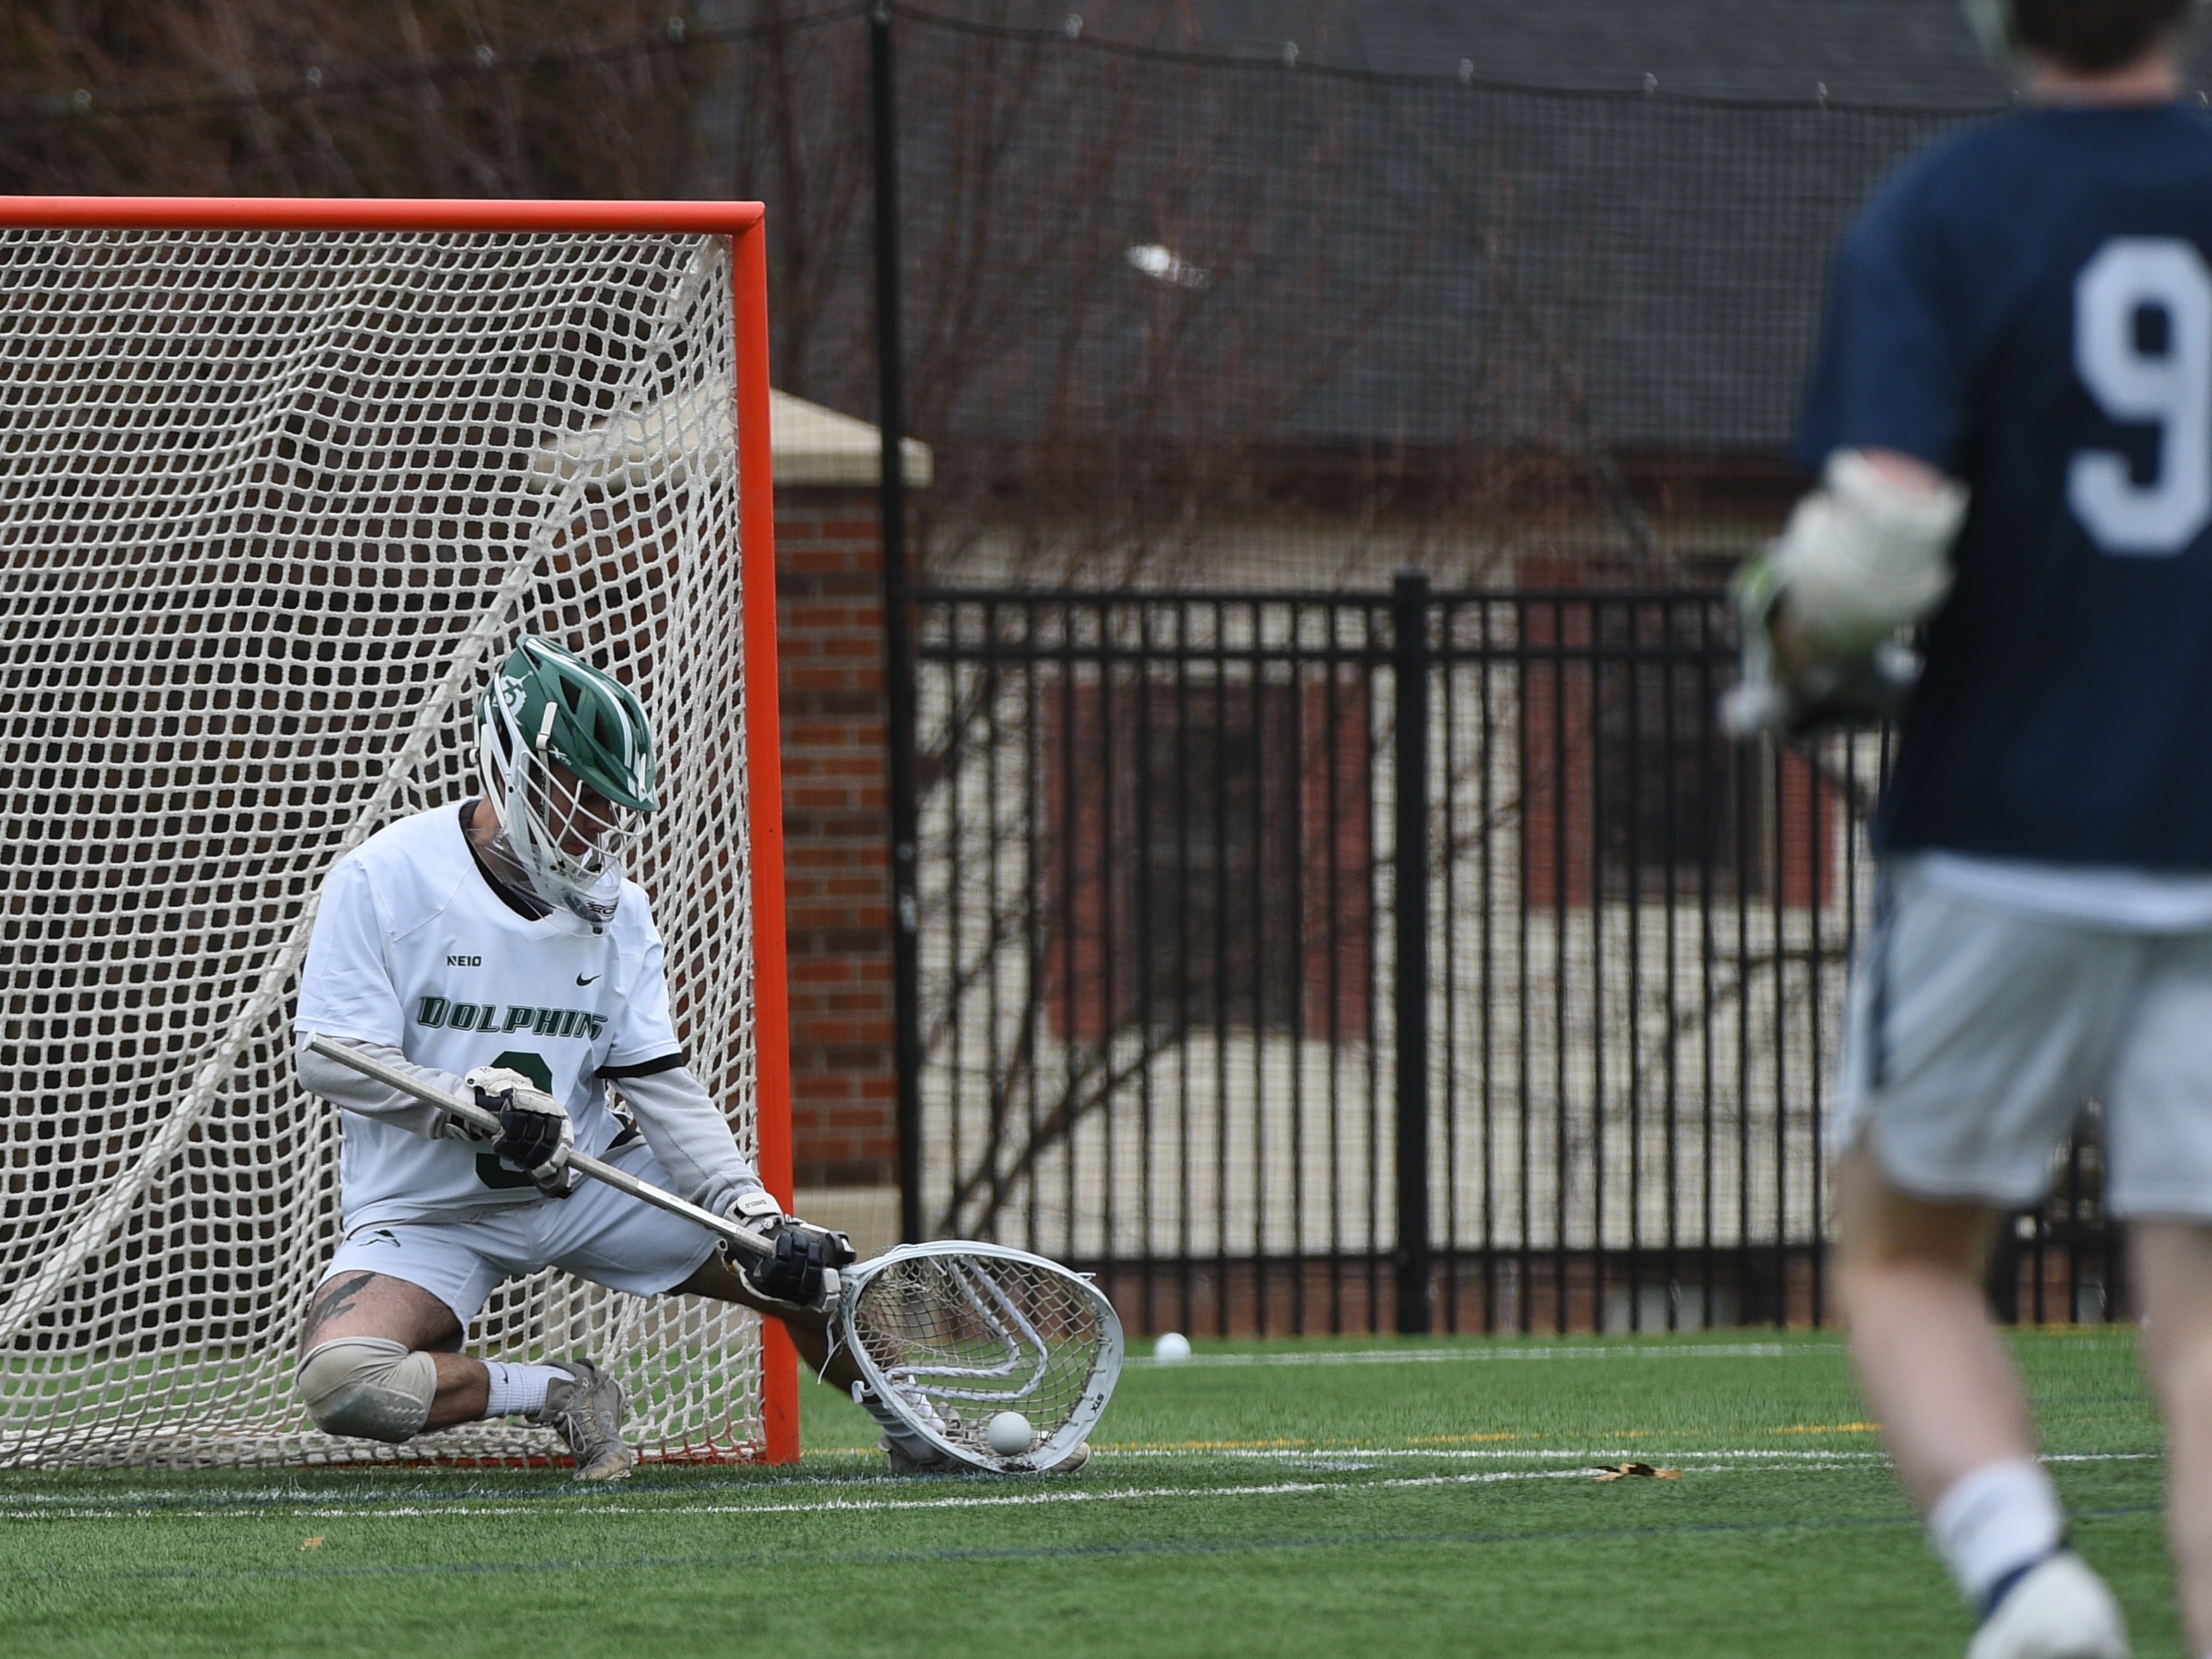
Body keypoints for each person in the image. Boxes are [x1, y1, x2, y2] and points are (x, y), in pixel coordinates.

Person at [1731, 1, 2212, 1654]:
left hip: (2005, 822)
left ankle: (2028, 1574)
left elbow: (1875, 549)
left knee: (1904, 1249)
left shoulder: (1945, 212)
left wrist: (1790, 637)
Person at [290, 635, 977, 1479]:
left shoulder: (622, 913)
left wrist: (753, 1213)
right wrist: (472, 1103)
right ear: (512, 766)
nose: (595, 824)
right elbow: (331, 1060)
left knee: (808, 1279)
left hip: (584, 1177)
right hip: (433, 1205)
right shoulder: (385, 878)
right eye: (578, 795)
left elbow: (658, 1084)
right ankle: (556, 1393)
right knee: (347, 1382)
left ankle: (930, 1430)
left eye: (609, 805)